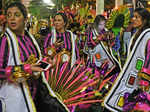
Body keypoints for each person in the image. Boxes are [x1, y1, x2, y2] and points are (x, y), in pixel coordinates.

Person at [0, 2, 68, 112]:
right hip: (15, 98)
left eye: (17, 15)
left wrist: (47, 62)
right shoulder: (5, 40)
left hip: (35, 94)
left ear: (25, 18)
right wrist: (26, 69)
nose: (12, 18)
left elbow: (35, 61)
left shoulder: (29, 39)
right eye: (9, 15)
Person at [104, 8, 150, 112]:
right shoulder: (137, 34)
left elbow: (148, 59)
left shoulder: (148, 35)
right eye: (133, 16)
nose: (133, 19)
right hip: (132, 77)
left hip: (142, 81)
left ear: (145, 20)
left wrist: (144, 81)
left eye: (136, 17)